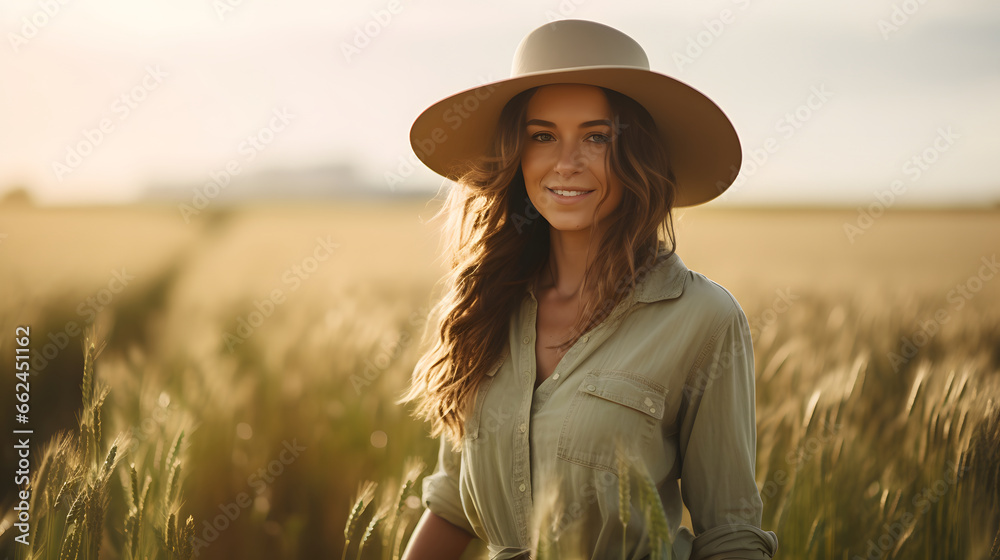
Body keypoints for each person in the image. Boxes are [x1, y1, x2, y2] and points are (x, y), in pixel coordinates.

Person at [397, 19, 778, 560]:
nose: (566, 163)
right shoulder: (484, 308)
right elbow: (452, 507)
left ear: (636, 156)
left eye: (597, 137)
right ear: (518, 154)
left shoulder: (703, 319)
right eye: (543, 136)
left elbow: (730, 536)